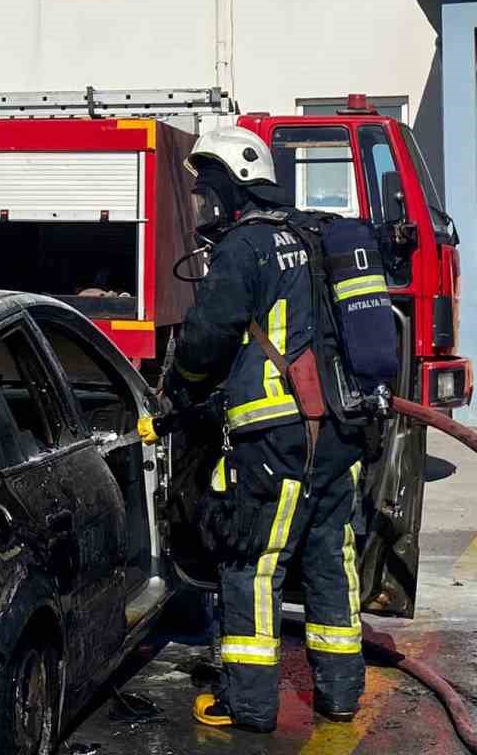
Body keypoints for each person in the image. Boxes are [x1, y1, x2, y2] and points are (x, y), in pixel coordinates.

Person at [160, 129, 367, 733]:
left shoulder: (244, 246)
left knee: (253, 564)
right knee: (331, 559)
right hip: (340, 433)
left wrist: (181, 387)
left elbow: (208, 336)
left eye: (208, 192)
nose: (204, 205)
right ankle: (340, 695)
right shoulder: (313, 234)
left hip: (274, 437)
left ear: (234, 187)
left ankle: (248, 705)